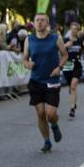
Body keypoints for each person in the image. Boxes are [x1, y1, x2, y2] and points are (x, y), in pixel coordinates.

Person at [22, 13, 69, 153]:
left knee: (50, 114)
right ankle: (47, 141)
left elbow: (65, 54)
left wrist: (59, 67)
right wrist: (27, 64)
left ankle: (54, 124)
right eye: (37, 20)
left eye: (42, 20)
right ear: (34, 23)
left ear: (47, 23)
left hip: (52, 80)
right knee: (41, 113)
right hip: (36, 81)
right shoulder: (29, 39)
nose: (40, 23)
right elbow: (24, 59)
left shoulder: (56, 38)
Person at [62, 21, 84, 119]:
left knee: (73, 86)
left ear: (78, 30)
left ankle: (72, 109)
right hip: (67, 66)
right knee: (70, 88)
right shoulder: (65, 40)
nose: (74, 30)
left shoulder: (80, 41)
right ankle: (74, 101)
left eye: (76, 29)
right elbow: (59, 51)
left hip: (77, 65)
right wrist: (66, 46)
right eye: (72, 29)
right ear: (70, 30)